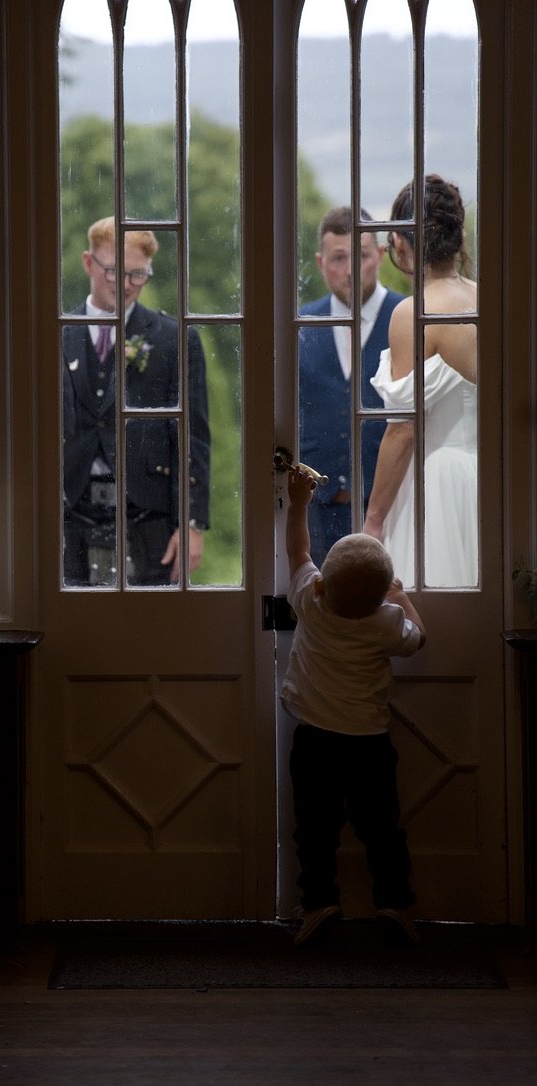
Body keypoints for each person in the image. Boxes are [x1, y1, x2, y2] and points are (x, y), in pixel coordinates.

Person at [281, 466, 426, 947]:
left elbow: (298, 552)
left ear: (322, 585)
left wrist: (299, 503)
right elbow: (418, 639)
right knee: (382, 828)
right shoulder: (386, 621)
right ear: (382, 594)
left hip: (315, 738)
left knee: (314, 829)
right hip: (369, 743)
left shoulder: (310, 601)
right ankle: (395, 902)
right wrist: (403, 598)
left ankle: (320, 901)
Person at [62, 217, 210, 586]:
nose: (126, 285)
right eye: (113, 271)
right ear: (87, 262)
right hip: (69, 514)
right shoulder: (57, 331)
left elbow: (193, 437)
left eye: (138, 275)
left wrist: (191, 523)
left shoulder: (173, 339)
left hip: (150, 517)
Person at [363, 175, 477, 587]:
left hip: (435, 482)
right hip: (489, 479)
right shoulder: (487, 298)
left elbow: (403, 430)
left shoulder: (414, 312)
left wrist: (373, 521)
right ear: (457, 234)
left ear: (399, 241)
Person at [299, 207, 404, 566]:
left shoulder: (407, 317)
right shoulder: (298, 324)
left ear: (380, 256)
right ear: (320, 261)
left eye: (360, 257)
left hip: (395, 510)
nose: (349, 270)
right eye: (338, 258)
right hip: (314, 516)